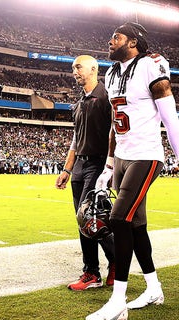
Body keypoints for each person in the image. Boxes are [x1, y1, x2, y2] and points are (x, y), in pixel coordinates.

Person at [85, 22, 179, 320]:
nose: (110, 41)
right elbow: (114, 120)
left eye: (117, 37)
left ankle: (118, 301)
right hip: (123, 156)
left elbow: (169, 115)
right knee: (137, 226)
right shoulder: (111, 73)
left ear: (133, 42)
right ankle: (153, 288)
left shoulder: (151, 66)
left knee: (119, 218)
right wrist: (109, 164)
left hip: (146, 156)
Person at [55, 54, 115, 292]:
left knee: (90, 218)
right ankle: (108, 265)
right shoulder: (79, 102)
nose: (74, 71)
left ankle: (94, 271)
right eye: (73, 68)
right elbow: (74, 139)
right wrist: (67, 169)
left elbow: (115, 134)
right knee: (83, 221)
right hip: (80, 164)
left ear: (93, 69)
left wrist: (109, 167)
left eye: (78, 67)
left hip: (98, 163)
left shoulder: (106, 98)